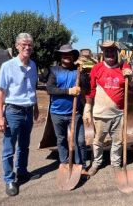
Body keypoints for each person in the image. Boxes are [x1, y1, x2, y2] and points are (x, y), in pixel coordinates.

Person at [83, 40, 133, 176]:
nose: (109, 53)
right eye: (107, 51)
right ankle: (96, 163)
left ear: (117, 52)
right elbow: (91, 90)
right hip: (100, 114)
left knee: (117, 141)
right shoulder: (97, 68)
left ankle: (116, 164)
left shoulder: (124, 67)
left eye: (112, 50)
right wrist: (87, 109)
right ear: (103, 52)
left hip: (119, 114)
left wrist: (130, 78)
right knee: (98, 141)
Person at [0, 33, 40, 196]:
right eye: (24, 44)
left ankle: (22, 172)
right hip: (13, 111)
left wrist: (35, 107)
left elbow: (32, 88)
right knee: (9, 149)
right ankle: (9, 179)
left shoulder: (33, 65)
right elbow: (1, 93)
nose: (27, 47)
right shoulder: (7, 66)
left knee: (24, 145)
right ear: (17, 46)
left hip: (28, 111)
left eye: (30, 45)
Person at [46, 44, 88, 175]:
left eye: (69, 54)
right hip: (57, 113)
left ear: (73, 56)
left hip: (75, 113)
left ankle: (81, 165)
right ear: (60, 56)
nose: (66, 56)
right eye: (64, 54)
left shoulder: (78, 70)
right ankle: (64, 163)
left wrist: (83, 73)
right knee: (61, 139)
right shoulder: (54, 70)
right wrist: (68, 91)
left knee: (80, 140)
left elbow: (87, 86)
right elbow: (50, 89)